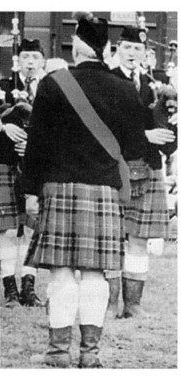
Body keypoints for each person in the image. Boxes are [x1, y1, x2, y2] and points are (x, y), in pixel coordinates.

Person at [23, 13, 151, 368]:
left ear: (77, 44)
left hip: (60, 187)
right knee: (97, 275)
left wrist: (31, 190)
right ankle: (90, 355)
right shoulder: (125, 88)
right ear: (107, 48)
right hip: (104, 191)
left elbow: (37, 145)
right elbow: (136, 148)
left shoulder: (53, 83)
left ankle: (58, 353)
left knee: (62, 273)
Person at [109, 25, 177, 319]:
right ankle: (110, 303)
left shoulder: (158, 84)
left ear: (145, 53)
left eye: (138, 49)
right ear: (117, 50)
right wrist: (144, 135)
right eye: (127, 48)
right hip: (116, 166)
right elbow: (107, 126)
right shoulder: (108, 81)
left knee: (138, 239)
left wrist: (172, 128)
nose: (132, 53)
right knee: (111, 237)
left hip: (149, 166)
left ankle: (133, 304)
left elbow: (170, 130)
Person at [0, 40, 47, 306]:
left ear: (42, 61)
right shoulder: (0, 86)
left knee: (33, 229)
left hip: (38, 168)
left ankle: (29, 286)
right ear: (17, 61)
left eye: (35, 57)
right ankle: (9, 287)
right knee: (8, 231)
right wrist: (3, 126)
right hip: (6, 163)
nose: (30, 62)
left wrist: (34, 144)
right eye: (25, 57)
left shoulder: (50, 88)